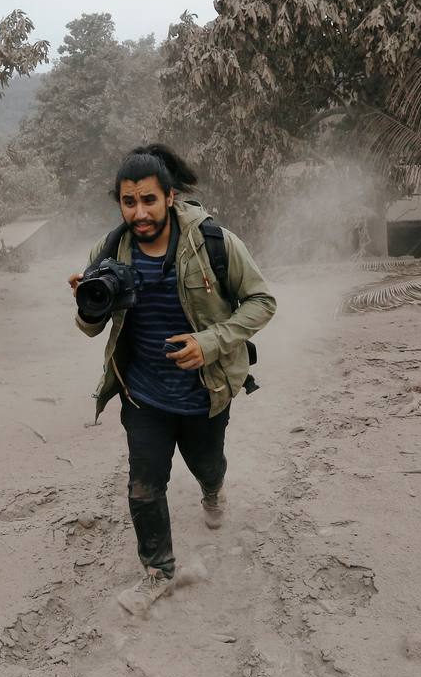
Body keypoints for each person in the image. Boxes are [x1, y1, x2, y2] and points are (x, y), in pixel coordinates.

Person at [68, 145, 276, 616]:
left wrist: (211, 341)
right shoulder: (109, 251)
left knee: (207, 464)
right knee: (144, 486)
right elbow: (90, 328)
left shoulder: (215, 243)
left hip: (205, 393)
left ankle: (212, 489)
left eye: (148, 201)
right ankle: (158, 572)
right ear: (119, 203)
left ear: (170, 197)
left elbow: (262, 301)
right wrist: (86, 300)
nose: (138, 213)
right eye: (128, 202)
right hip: (143, 395)